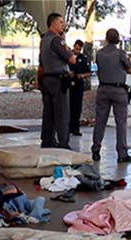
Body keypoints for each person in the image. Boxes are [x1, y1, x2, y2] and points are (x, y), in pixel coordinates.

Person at [91, 28, 131, 163]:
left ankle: (96, 150)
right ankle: (122, 154)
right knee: (120, 123)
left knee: (100, 121)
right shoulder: (121, 53)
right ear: (117, 39)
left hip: (103, 88)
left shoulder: (99, 54)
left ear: (107, 38)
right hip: (118, 89)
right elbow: (130, 70)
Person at [38, 13, 75, 149]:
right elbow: (72, 59)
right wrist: (68, 50)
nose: (62, 25)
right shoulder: (57, 40)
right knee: (62, 113)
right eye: (60, 22)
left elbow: (41, 63)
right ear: (52, 23)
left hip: (47, 79)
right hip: (59, 80)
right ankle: (64, 143)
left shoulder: (43, 41)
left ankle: (47, 141)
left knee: (48, 114)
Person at [68, 39, 91, 136]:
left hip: (78, 85)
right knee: (68, 106)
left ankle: (75, 128)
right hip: (69, 84)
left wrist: (82, 76)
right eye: (76, 48)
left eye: (79, 49)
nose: (77, 51)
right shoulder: (68, 56)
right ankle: (67, 127)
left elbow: (88, 72)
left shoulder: (83, 58)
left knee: (77, 107)